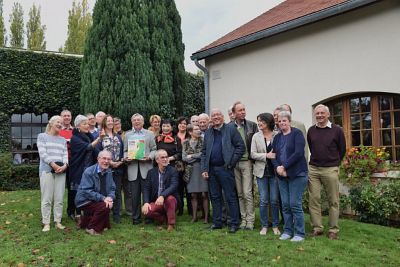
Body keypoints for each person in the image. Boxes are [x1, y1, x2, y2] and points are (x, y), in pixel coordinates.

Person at [201, 108, 245, 234]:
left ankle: (233, 223)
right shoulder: (209, 132)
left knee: (230, 196)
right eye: (213, 115)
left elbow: (240, 147)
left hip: (226, 168)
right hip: (212, 170)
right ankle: (217, 222)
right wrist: (204, 168)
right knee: (214, 197)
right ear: (211, 118)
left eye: (218, 115)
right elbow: (204, 152)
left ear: (223, 117)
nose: (216, 117)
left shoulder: (230, 129)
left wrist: (231, 162)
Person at [307, 104, 346, 240]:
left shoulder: (337, 130)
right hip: (314, 169)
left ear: (328, 114)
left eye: (322, 113)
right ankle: (317, 228)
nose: (319, 115)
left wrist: (334, 164)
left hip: (330, 169)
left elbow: (342, 150)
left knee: (333, 200)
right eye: (317, 113)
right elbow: (312, 147)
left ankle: (333, 229)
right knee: (314, 200)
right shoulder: (311, 130)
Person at [272, 111, 308, 242]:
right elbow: (273, 155)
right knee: (285, 205)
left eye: (284, 121)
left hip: (297, 174)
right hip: (282, 176)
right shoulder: (277, 137)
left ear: (289, 121)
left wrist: (284, 167)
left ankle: (300, 233)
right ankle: (288, 231)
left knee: (294, 204)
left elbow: (299, 153)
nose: (282, 123)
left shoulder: (297, 134)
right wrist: (278, 168)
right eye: (280, 121)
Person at [251, 113, 281, 236]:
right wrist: (266, 155)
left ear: (268, 122)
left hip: (274, 172)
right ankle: (264, 226)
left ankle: (275, 225)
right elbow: (252, 154)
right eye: (258, 121)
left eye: (261, 121)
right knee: (263, 200)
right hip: (261, 172)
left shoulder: (277, 135)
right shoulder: (255, 136)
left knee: (274, 200)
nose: (259, 123)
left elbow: (282, 151)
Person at [37, 115, 68, 232]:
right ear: (51, 123)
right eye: (58, 122)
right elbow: (43, 154)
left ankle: (57, 221)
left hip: (61, 171)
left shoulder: (63, 140)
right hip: (47, 171)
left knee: (59, 198)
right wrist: (54, 165)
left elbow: (65, 155)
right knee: (47, 198)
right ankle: (46, 223)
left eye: (61, 123)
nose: (60, 124)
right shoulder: (42, 137)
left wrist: (64, 166)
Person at [70, 115, 103, 226]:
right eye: (84, 124)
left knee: (90, 191)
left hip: (90, 168)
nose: (87, 125)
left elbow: (96, 150)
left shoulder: (89, 136)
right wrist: (99, 138)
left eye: (87, 123)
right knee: (78, 192)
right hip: (79, 169)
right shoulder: (75, 138)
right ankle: (77, 215)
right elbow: (88, 147)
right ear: (78, 126)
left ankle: (88, 214)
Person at [124, 113, 157, 225]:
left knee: (148, 194)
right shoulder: (127, 135)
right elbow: (125, 151)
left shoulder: (150, 134)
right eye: (134, 120)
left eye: (139, 120)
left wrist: (150, 157)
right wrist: (126, 158)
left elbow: (154, 149)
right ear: (132, 122)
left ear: (143, 122)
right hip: (133, 168)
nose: (137, 122)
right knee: (134, 195)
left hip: (146, 168)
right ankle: (136, 218)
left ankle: (148, 217)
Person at [230, 101, 257, 230]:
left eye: (244, 110)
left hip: (247, 162)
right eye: (240, 110)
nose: (243, 112)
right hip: (234, 163)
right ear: (234, 113)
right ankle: (244, 220)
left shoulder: (252, 126)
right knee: (240, 193)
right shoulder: (229, 127)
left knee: (247, 192)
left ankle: (251, 221)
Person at [75, 150, 116, 235]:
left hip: (98, 199)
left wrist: (110, 197)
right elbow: (87, 191)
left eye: (109, 159)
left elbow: (112, 188)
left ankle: (84, 222)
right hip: (84, 200)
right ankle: (91, 228)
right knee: (105, 207)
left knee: (106, 223)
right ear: (98, 159)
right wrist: (104, 198)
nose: (106, 161)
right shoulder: (89, 171)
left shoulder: (109, 172)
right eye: (104, 158)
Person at [142, 149, 180, 231]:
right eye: (162, 157)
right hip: (157, 202)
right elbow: (146, 188)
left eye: (166, 157)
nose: (165, 159)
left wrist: (162, 196)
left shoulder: (173, 171)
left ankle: (171, 224)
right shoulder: (151, 172)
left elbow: (174, 186)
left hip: (170, 202)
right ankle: (164, 219)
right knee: (147, 211)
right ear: (157, 160)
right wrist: (146, 202)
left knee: (170, 198)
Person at [98, 115, 124, 224]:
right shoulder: (101, 136)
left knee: (117, 192)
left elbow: (122, 151)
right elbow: (98, 152)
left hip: (118, 168)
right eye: (108, 121)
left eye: (111, 121)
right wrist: (110, 163)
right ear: (104, 123)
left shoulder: (117, 136)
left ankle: (116, 215)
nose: (110, 122)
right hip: (105, 168)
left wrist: (120, 162)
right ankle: (104, 213)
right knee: (104, 191)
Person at [156, 119, 185, 214]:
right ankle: (162, 207)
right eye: (163, 126)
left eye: (167, 126)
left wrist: (170, 158)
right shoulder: (158, 138)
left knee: (176, 188)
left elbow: (180, 153)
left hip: (173, 166)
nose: (165, 128)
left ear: (171, 128)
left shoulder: (176, 139)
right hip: (161, 166)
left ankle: (179, 208)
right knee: (162, 186)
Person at [183, 124, 209, 223]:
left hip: (202, 169)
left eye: (199, 129)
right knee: (193, 194)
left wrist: (192, 156)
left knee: (204, 194)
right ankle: (194, 217)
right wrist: (195, 158)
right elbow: (184, 157)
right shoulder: (185, 142)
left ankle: (206, 217)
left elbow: (203, 154)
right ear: (190, 132)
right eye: (196, 129)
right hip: (191, 170)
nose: (199, 131)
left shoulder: (203, 141)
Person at [59, 109, 74, 220]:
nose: (67, 118)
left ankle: (71, 212)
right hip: (60, 163)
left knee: (72, 189)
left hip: (72, 164)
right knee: (58, 189)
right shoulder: (57, 130)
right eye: (64, 116)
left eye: (68, 116)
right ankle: (56, 213)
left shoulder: (75, 131)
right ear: (61, 117)